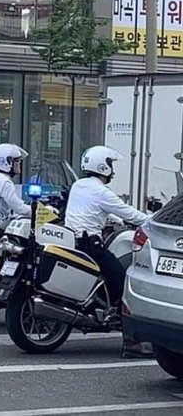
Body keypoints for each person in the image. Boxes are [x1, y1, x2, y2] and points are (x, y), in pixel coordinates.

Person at [64, 145, 152, 358]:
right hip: (91, 245)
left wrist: (118, 220)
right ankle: (132, 344)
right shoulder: (102, 192)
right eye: (111, 164)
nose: (112, 169)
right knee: (124, 285)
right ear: (103, 166)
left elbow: (97, 210)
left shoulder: (79, 185)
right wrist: (153, 221)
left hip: (73, 241)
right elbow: (130, 213)